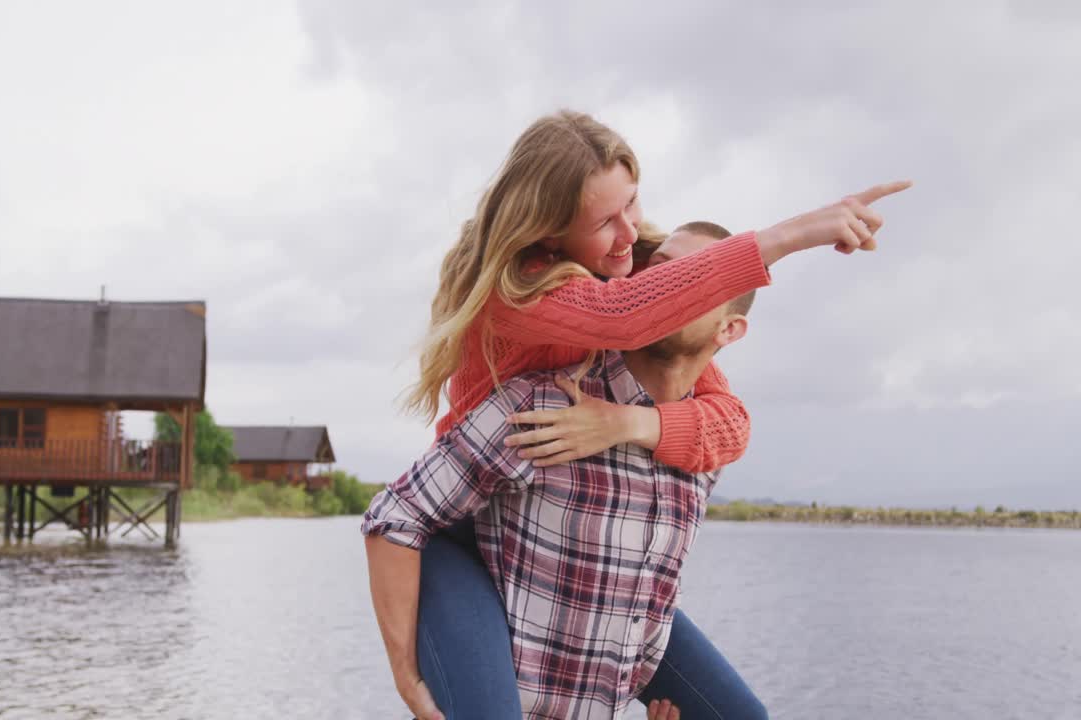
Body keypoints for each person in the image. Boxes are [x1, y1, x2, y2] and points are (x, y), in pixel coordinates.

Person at [374, 109, 908, 718]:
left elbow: (727, 417)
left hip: (561, 529)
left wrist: (627, 423)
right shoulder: (527, 289)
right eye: (606, 220)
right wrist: (794, 234)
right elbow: (629, 315)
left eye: (633, 204)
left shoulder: (629, 274)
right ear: (551, 234)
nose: (631, 233)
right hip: (466, 516)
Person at [363, 259, 757, 717]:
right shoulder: (544, 404)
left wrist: (631, 422)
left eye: (695, 283)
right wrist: (406, 676)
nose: (665, 290)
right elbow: (395, 516)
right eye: (661, 273)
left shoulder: (702, 452)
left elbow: (637, 611)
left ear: (729, 329)